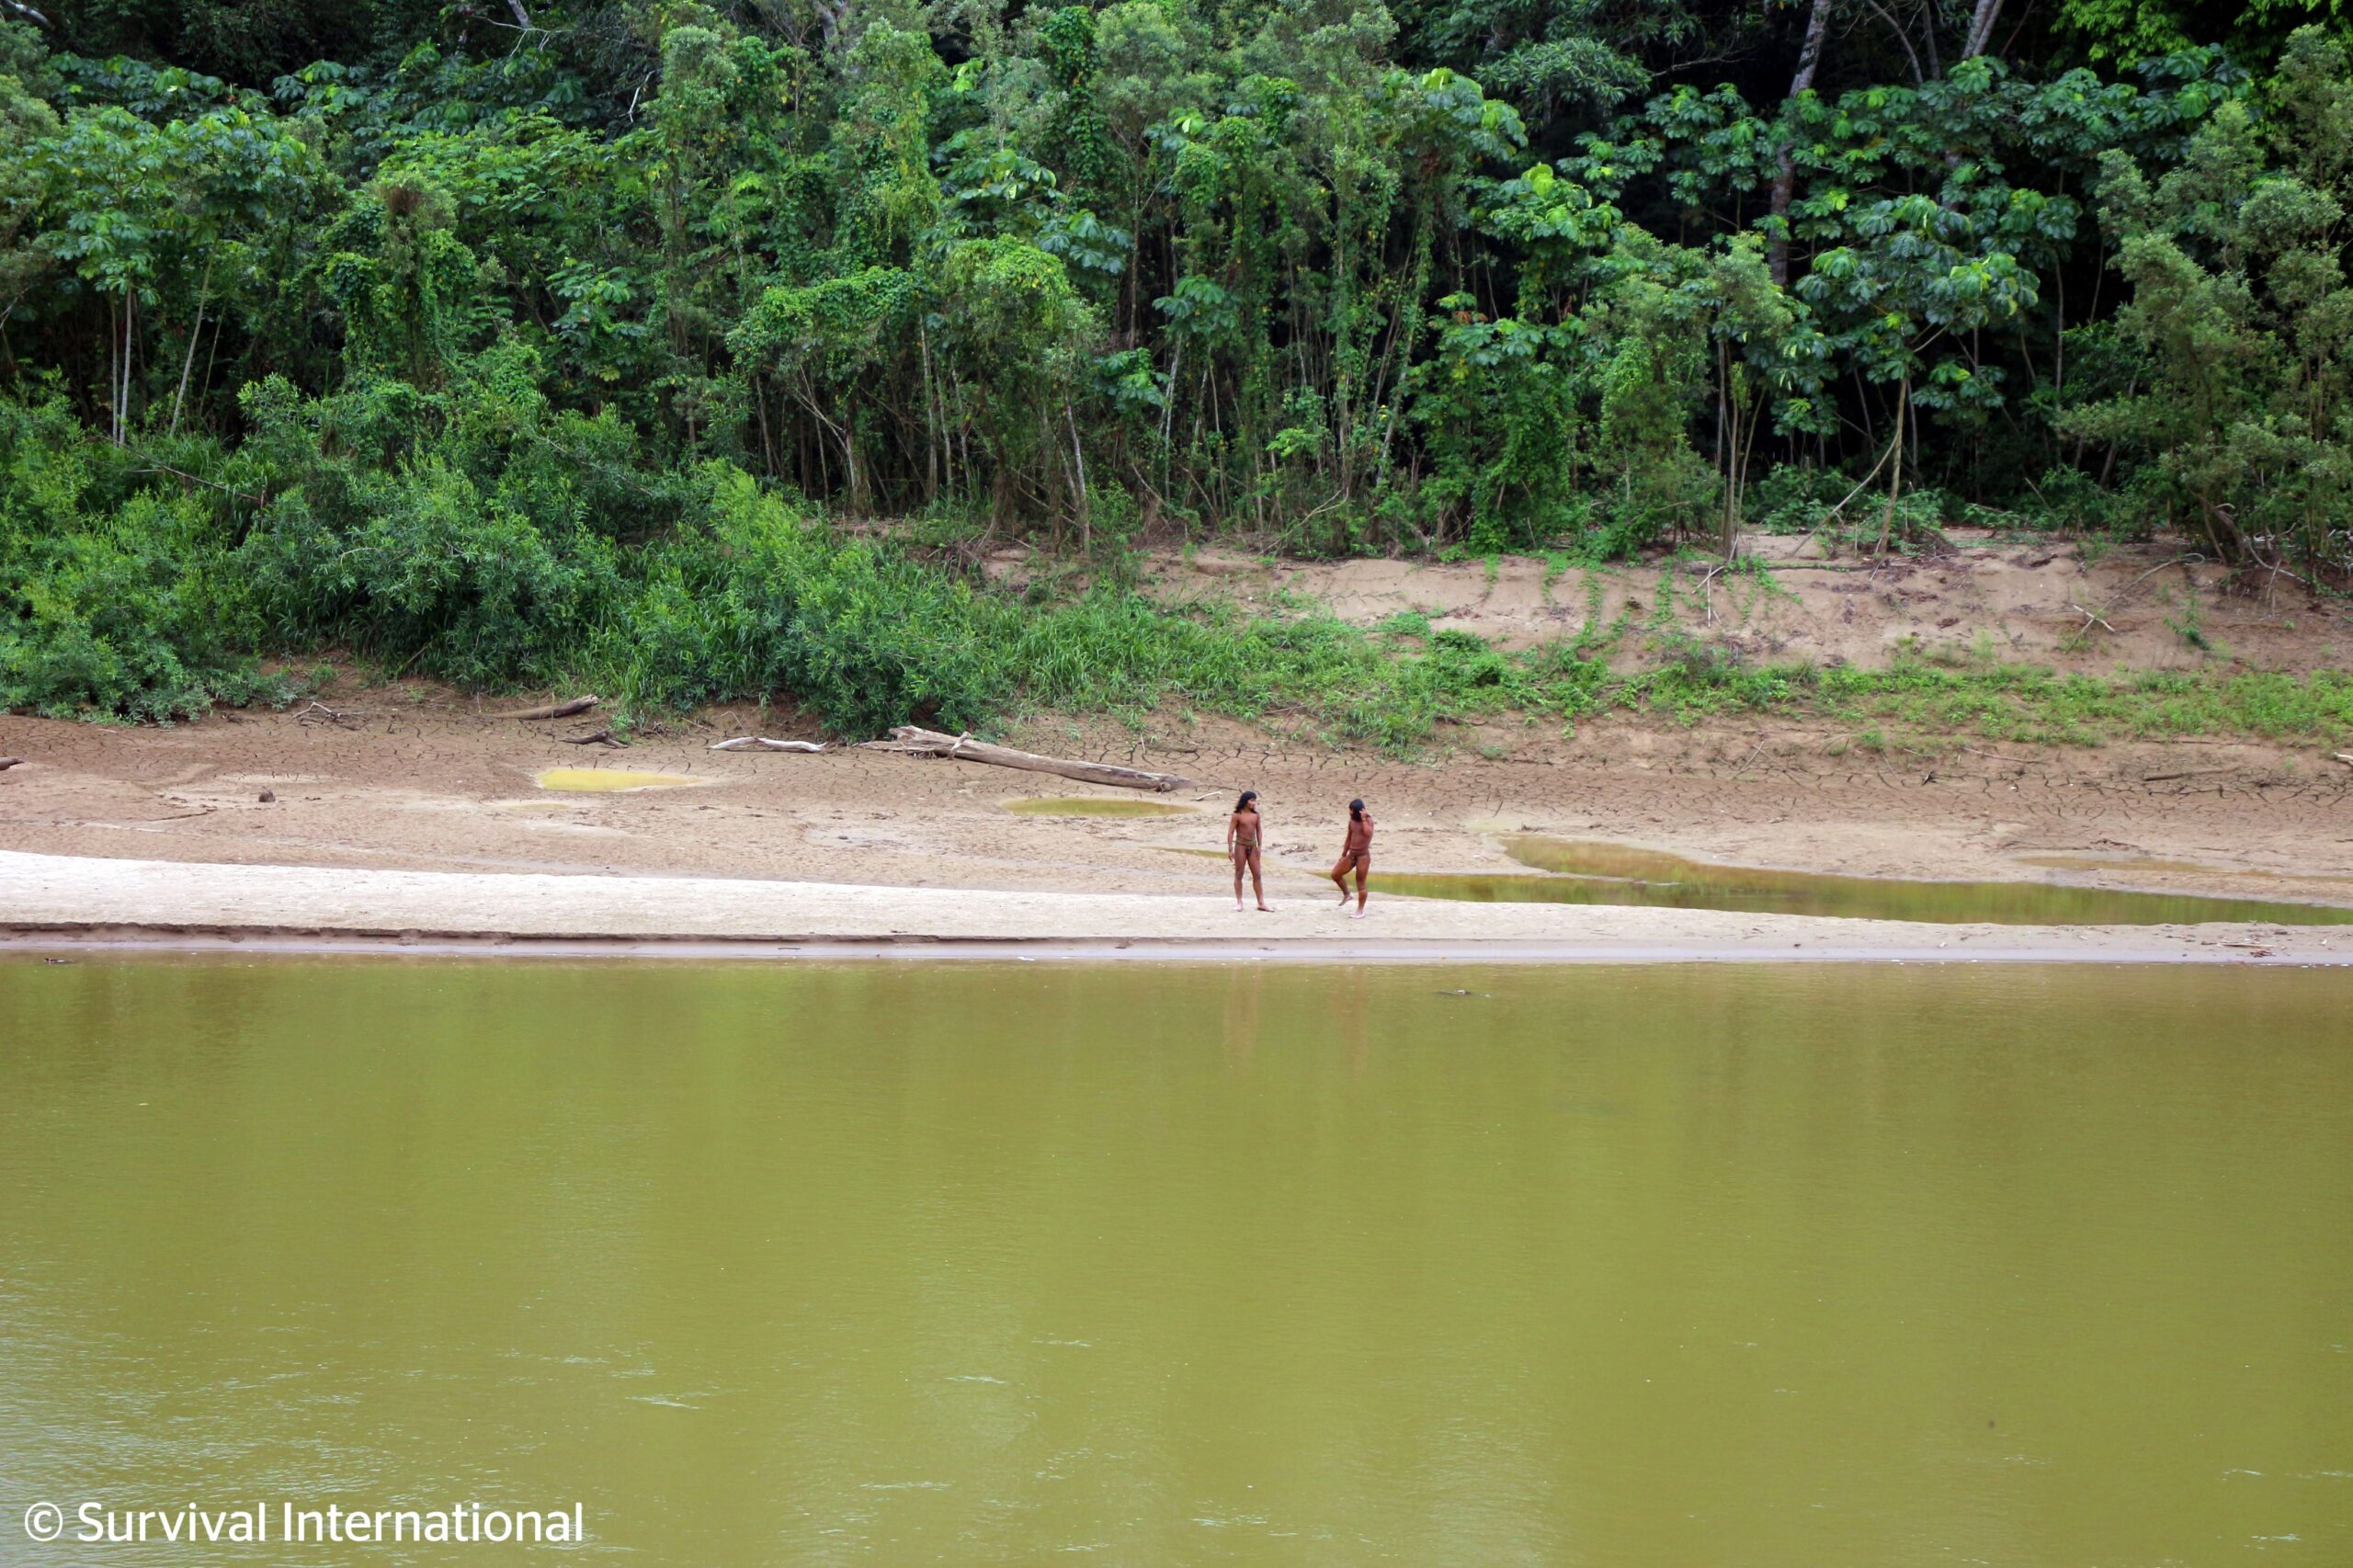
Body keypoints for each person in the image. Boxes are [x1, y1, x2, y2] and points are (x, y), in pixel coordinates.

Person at [1227, 790, 1271, 912]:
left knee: (1257, 874)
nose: (1253, 803)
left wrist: (1260, 846)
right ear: (1245, 801)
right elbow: (1230, 832)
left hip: (1253, 846)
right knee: (1239, 874)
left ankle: (1261, 902)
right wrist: (1230, 849)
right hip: (1240, 845)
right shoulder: (1237, 815)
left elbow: (1259, 831)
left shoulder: (1256, 815)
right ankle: (1239, 902)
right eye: (1251, 800)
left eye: (1254, 800)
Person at [1330, 799, 1374, 917]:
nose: (1349, 812)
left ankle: (1360, 911)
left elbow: (1368, 833)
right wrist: (1344, 854)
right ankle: (1347, 894)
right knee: (1335, 874)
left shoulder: (1368, 820)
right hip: (1352, 854)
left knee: (1360, 883)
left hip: (1363, 856)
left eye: (1350, 810)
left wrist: (1364, 819)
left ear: (1354, 811)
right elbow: (1349, 837)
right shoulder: (1352, 822)